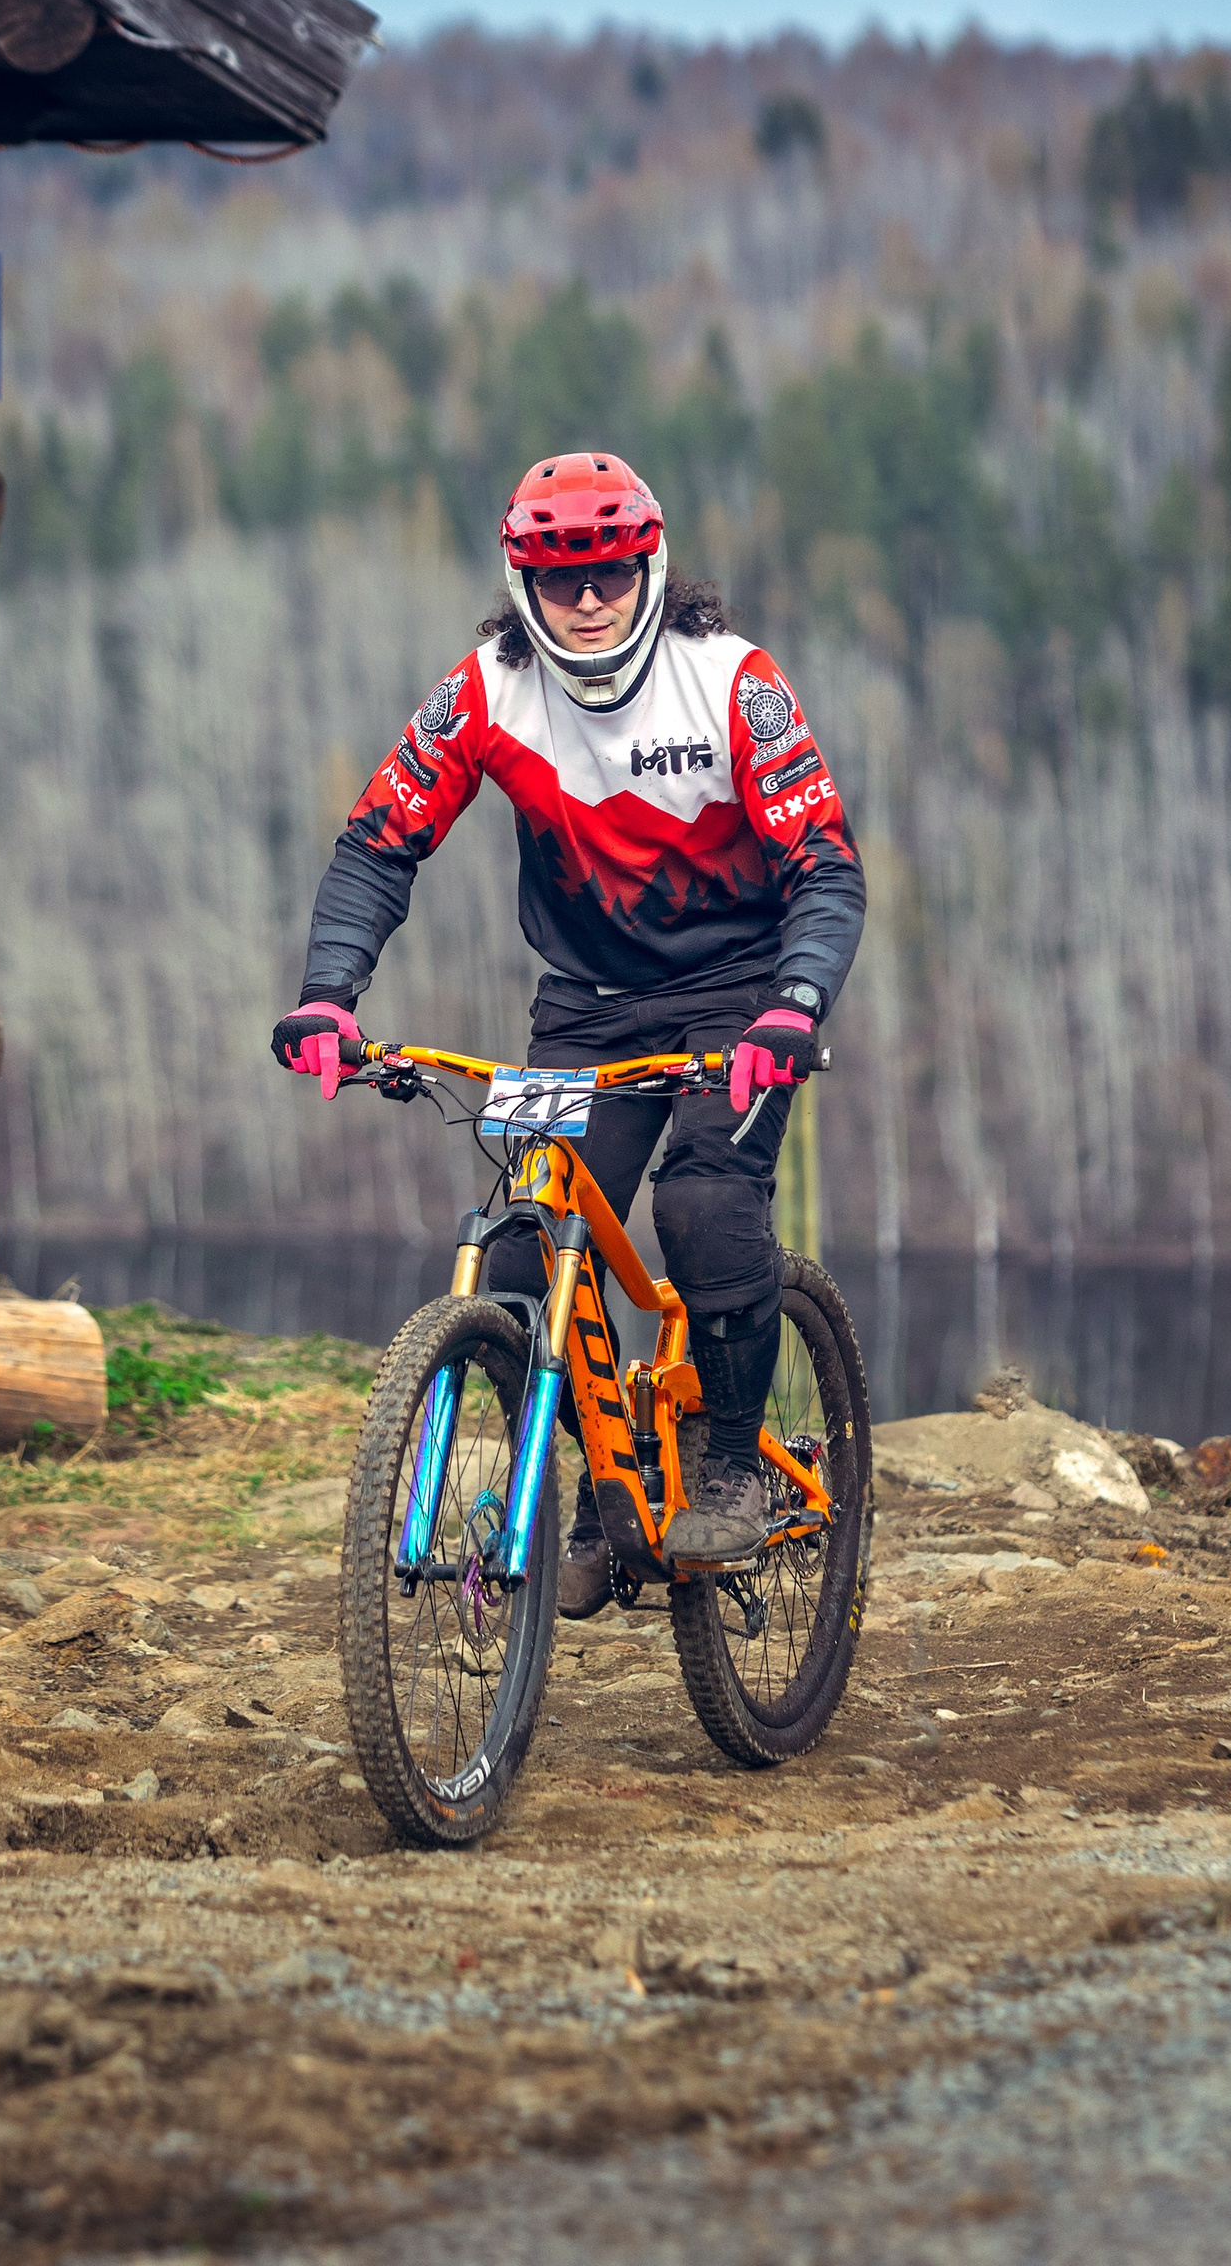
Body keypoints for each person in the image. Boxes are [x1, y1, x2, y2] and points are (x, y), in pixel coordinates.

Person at [271, 451, 864, 1613]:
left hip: (736, 995)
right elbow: (378, 843)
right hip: (586, 1007)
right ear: (521, 581)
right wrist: (331, 995)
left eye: (606, 574)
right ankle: (599, 1500)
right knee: (516, 1254)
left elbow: (824, 868)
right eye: (559, 581)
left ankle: (730, 1462)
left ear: (647, 567)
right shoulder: (487, 692)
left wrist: (792, 1005)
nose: (585, 601)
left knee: (700, 1205)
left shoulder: (733, 682)